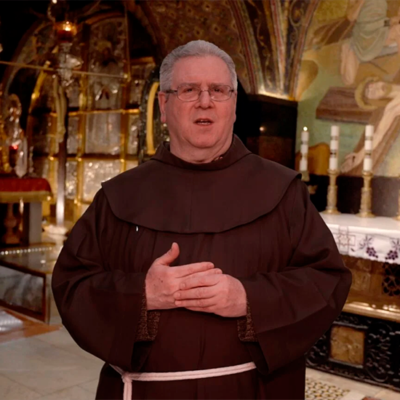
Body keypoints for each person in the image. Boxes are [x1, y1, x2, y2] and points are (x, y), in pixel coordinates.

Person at [52, 40, 352, 400]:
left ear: (233, 106)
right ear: (164, 106)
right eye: (189, 89)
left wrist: (248, 299)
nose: (205, 101)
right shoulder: (119, 196)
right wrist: (142, 295)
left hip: (253, 390)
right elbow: (72, 285)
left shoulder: (283, 191)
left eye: (219, 90)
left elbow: (326, 280)